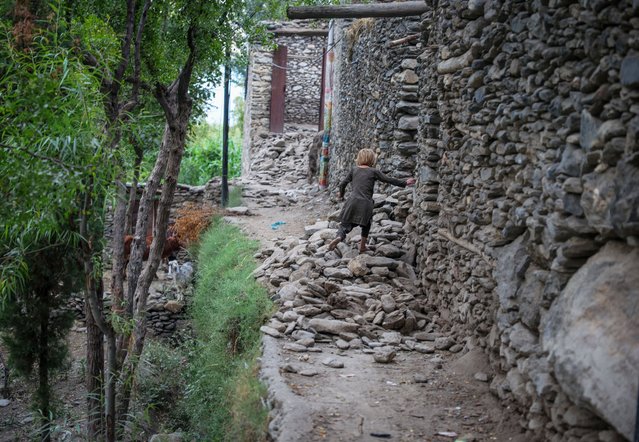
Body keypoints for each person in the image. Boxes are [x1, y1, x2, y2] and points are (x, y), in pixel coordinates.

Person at [328, 148, 416, 253]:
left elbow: (342, 184)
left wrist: (341, 195)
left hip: (352, 202)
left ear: (359, 159)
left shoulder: (354, 170)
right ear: (371, 160)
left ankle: (339, 237)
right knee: (366, 224)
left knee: (345, 224)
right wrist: (405, 182)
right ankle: (362, 246)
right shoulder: (373, 171)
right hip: (366, 203)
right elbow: (388, 180)